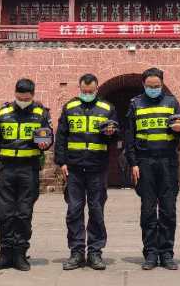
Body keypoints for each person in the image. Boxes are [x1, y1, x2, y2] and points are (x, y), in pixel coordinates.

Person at [124, 67, 180, 270]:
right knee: (148, 210)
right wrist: (133, 163)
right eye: (150, 86)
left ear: (162, 84)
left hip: (168, 162)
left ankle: (167, 253)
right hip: (145, 162)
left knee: (168, 209)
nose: (154, 89)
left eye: (157, 86)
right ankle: (150, 253)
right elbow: (129, 136)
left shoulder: (171, 102)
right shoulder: (135, 103)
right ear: (144, 85)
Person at [54, 73, 119, 271]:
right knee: (74, 210)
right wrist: (61, 162)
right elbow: (61, 136)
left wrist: (111, 133)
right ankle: (76, 252)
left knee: (96, 210)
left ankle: (95, 253)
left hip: (97, 167)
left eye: (91, 91)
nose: (88, 94)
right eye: (84, 91)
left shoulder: (107, 108)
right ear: (80, 88)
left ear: (97, 89)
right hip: (74, 168)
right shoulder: (70, 107)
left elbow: (115, 136)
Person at [0, 78, 52, 272]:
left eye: (26, 98)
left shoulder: (41, 113)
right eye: (20, 97)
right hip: (6, 169)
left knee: (24, 213)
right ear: (15, 94)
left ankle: (20, 254)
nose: (23, 100)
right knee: (4, 213)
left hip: (28, 169)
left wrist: (45, 144)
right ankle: (5, 254)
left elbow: (48, 137)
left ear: (32, 95)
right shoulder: (4, 112)